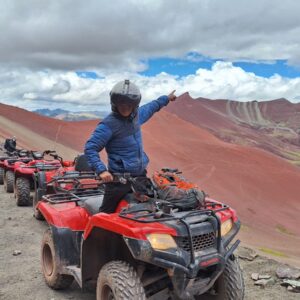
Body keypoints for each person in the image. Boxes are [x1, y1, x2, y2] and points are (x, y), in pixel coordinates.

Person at [84, 79, 177, 213]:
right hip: (118, 181)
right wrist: (101, 170)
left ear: (135, 105)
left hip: (140, 177)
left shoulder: (137, 116)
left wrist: (166, 98)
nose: (125, 107)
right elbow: (90, 147)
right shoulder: (108, 124)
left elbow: (153, 106)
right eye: (121, 103)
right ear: (114, 103)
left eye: (129, 104)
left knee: (152, 211)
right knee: (106, 215)